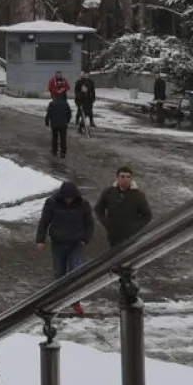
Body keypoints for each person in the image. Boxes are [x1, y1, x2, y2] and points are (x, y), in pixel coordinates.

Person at [36, 180, 94, 315]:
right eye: (66, 198)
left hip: (76, 243)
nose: (68, 201)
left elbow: (89, 224)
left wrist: (85, 239)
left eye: (71, 198)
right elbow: (44, 221)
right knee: (60, 273)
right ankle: (59, 300)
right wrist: (40, 240)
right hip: (58, 243)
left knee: (77, 271)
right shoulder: (51, 203)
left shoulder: (83, 205)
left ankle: (75, 300)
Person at [94, 166, 153, 249]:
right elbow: (98, 209)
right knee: (114, 255)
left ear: (131, 179)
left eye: (128, 177)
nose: (125, 179)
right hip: (113, 234)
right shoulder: (109, 192)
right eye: (122, 177)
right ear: (117, 178)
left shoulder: (138, 195)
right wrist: (106, 222)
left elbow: (147, 216)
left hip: (131, 236)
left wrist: (135, 227)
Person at [45, 90, 73, 159]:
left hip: (54, 124)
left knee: (55, 138)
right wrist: (67, 121)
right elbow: (69, 114)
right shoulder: (65, 104)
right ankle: (63, 152)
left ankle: (54, 151)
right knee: (63, 138)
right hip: (63, 124)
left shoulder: (52, 103)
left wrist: (47, 121)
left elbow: (49, 113)